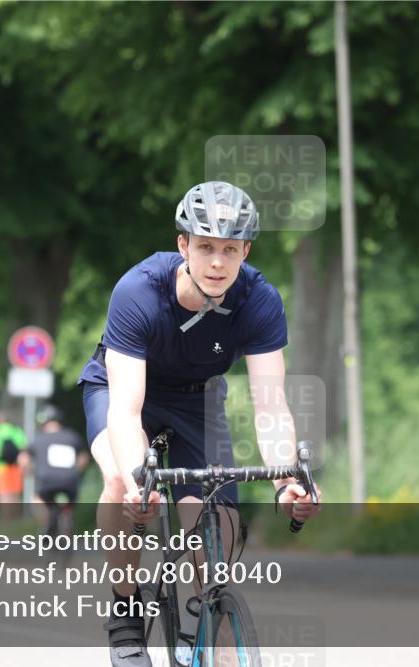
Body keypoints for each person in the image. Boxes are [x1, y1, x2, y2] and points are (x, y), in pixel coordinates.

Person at [77, 181, 322, 667]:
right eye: (205, 247)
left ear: (245, 251)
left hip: (198, 401)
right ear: (182, 245)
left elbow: (271, 406)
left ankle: (208, 618)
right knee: (119, 482)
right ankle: (126, 615)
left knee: (216, 524)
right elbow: (126, 410)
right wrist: (137, 484)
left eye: (230, 250)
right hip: (122, 389)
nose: (216, 262)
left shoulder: (259, 300)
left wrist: (287, 480)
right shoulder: (139, 290)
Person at [24, 404, 90, 541]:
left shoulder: (38, 439)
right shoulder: (72, 437)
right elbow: (83, 459)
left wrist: (30, 471)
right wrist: (74, 471)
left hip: (46, 481)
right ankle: (67, 518)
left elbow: (23, 459)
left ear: (43, 423)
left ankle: (46, 521)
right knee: (67, 507)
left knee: (36, 499)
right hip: (70, 481)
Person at [0, 411, 27, 504]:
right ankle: (16, 517)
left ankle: (6, 517)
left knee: (3, 493)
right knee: (15, 493)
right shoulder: (17, 431)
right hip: (15, 467)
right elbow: (23, 450)